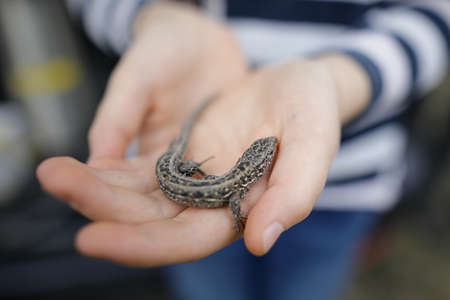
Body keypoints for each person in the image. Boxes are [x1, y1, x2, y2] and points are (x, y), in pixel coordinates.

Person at [37, 0, 450, 299]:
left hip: (350, 184)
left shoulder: (236, 181)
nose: (267, 152)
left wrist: (343, 78)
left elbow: (435, 18)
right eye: (262, 154)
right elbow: (235, 206)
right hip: (172, 172)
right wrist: (157, 11)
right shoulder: (235, 188)